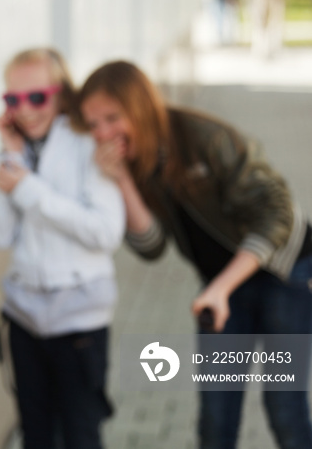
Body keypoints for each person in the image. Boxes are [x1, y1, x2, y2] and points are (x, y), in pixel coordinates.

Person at [76, 60, 312, 449]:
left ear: (140, 106)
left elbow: (278, 213)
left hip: (284, 274)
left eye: (112, 118)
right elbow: (151, 246)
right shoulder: (133, 159)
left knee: (285, 409)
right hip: (221, 288)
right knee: (216, 418)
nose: (103, 133)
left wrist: (221, 287)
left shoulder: (207, 137)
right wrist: (120, 179)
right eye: (93, 124)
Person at [0, 48, 125, 449]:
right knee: (36, 435)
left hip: (79, 322)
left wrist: (28, 189)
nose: (25, 110)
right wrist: (10, 155)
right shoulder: (15, 149)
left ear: (61, 93)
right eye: (13, 100)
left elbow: (105, 232)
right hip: (24, 319)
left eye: (37, 97)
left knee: (82, 435)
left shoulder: (87, 143)